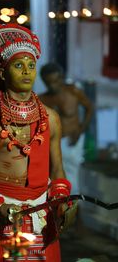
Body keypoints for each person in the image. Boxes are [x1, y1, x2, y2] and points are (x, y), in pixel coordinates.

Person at [0, 24, 75, 262]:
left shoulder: (51, 118)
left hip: (42, 210)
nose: (27, 71)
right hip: (1, 209)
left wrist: (63, 202)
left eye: (31, 66)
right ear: (2, 73)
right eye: (18, 65)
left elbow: (58, 169)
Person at [39, 63, 93, 195]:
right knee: (54, 174)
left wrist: (80, 130)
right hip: (53, 142)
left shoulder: (73, 91)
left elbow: (89, 108)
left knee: (73, 175)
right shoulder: (42, 99)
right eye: (48, 82)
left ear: (61, 77)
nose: (52, 85)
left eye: (56, 81)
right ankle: (60, 206)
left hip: (72, 139)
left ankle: (74, 209)